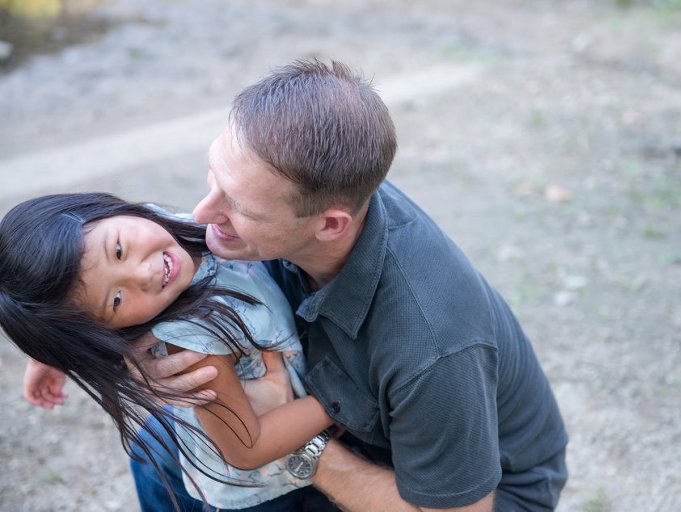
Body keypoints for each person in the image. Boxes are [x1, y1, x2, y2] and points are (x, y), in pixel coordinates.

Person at [25, 59, 569, 511]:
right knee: (161, 448)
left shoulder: (432, 344)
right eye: (216, 177)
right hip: (357, 432)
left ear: (330, 225)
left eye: (239, 206)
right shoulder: (304, 192)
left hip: (473, 497)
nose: (202, 215)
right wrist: (63, 337)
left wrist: (300, 445)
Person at [0, 192, 335, 511]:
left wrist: (44, 358)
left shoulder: (163, 226)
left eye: (118, 250)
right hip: (261, 493)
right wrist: (342, 399)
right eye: (116, 300)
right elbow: (247, 448)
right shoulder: (193, 341)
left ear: (109, 211)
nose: (145, 274)